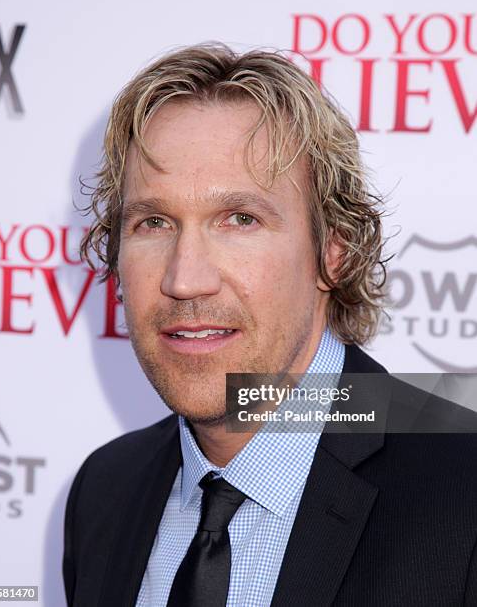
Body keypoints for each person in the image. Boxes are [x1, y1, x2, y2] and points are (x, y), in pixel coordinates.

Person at [62, 43, 477, 606]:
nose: (185, 279)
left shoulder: (464, 491)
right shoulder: (105, 491)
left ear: (335, 249)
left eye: (240, 219)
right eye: (153, 222)